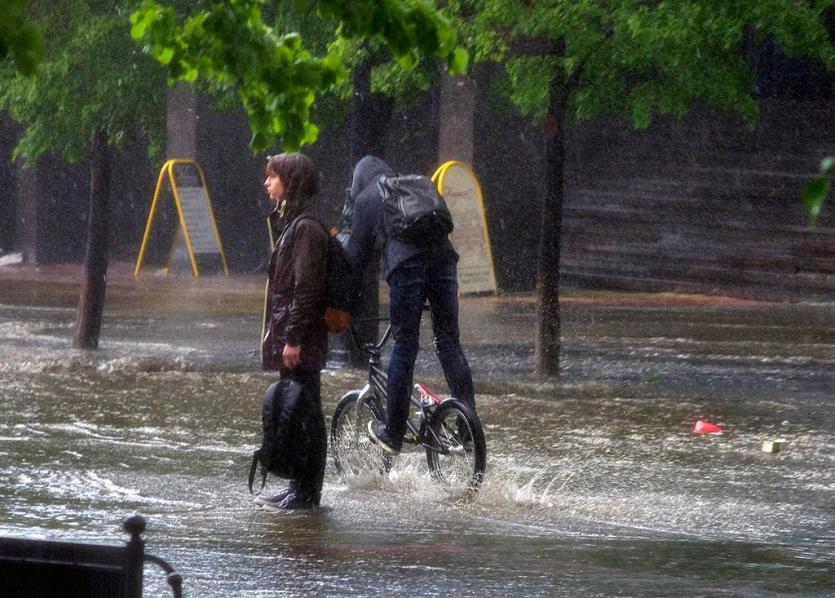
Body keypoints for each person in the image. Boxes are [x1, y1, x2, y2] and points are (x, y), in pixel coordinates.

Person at [344, 155, 476, 455]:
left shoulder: (367, 198)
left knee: (405, 344)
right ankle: (468, 428)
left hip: (407, 267)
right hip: (444, 263)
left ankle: (393, 432)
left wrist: (345, 302)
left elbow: (355, 261)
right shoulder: (418, 185)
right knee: (449, 342)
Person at [256, 152, 329, 510]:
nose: (267, 183)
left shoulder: (306, 229)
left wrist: (294, 338)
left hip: (301, 337)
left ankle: (307, 492)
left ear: (291, 182)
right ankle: (300, 488)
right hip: (295, 335)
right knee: (302, 410)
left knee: (307, 413)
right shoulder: (295, 224)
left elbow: (306, 289)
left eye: (273, 177)